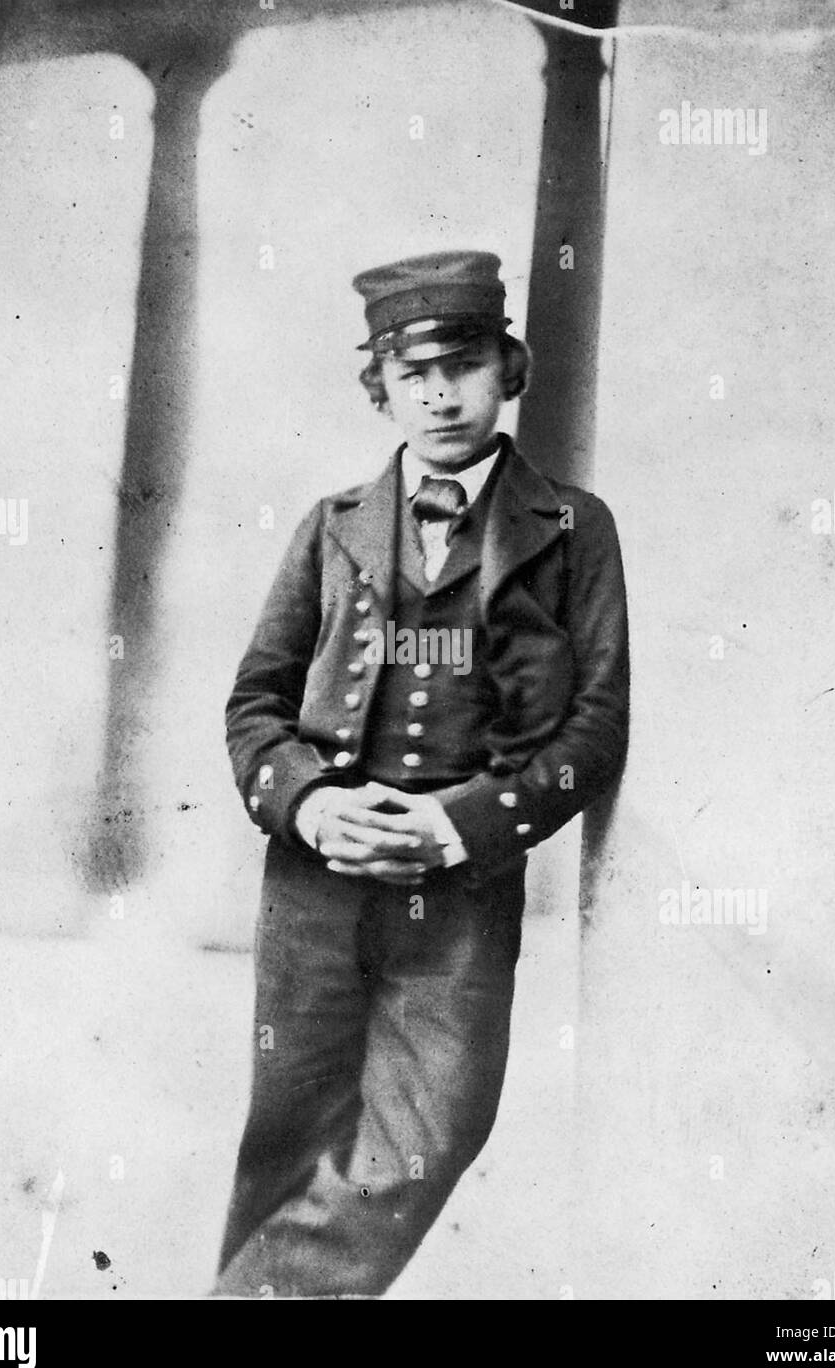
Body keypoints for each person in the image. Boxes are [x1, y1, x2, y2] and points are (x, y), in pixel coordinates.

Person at [213, 249, 629, 1298]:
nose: (440, 393)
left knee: (420, 1139)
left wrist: (457, 827)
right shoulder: (332, 524)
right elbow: (255, 703)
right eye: (413, 372)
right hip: (313, 892)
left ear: (509, 370)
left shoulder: (575, 527)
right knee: (287, 1149)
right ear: (382, 388)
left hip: (457, 895)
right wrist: (307, 806)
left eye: (465, 363)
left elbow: (594, 728)